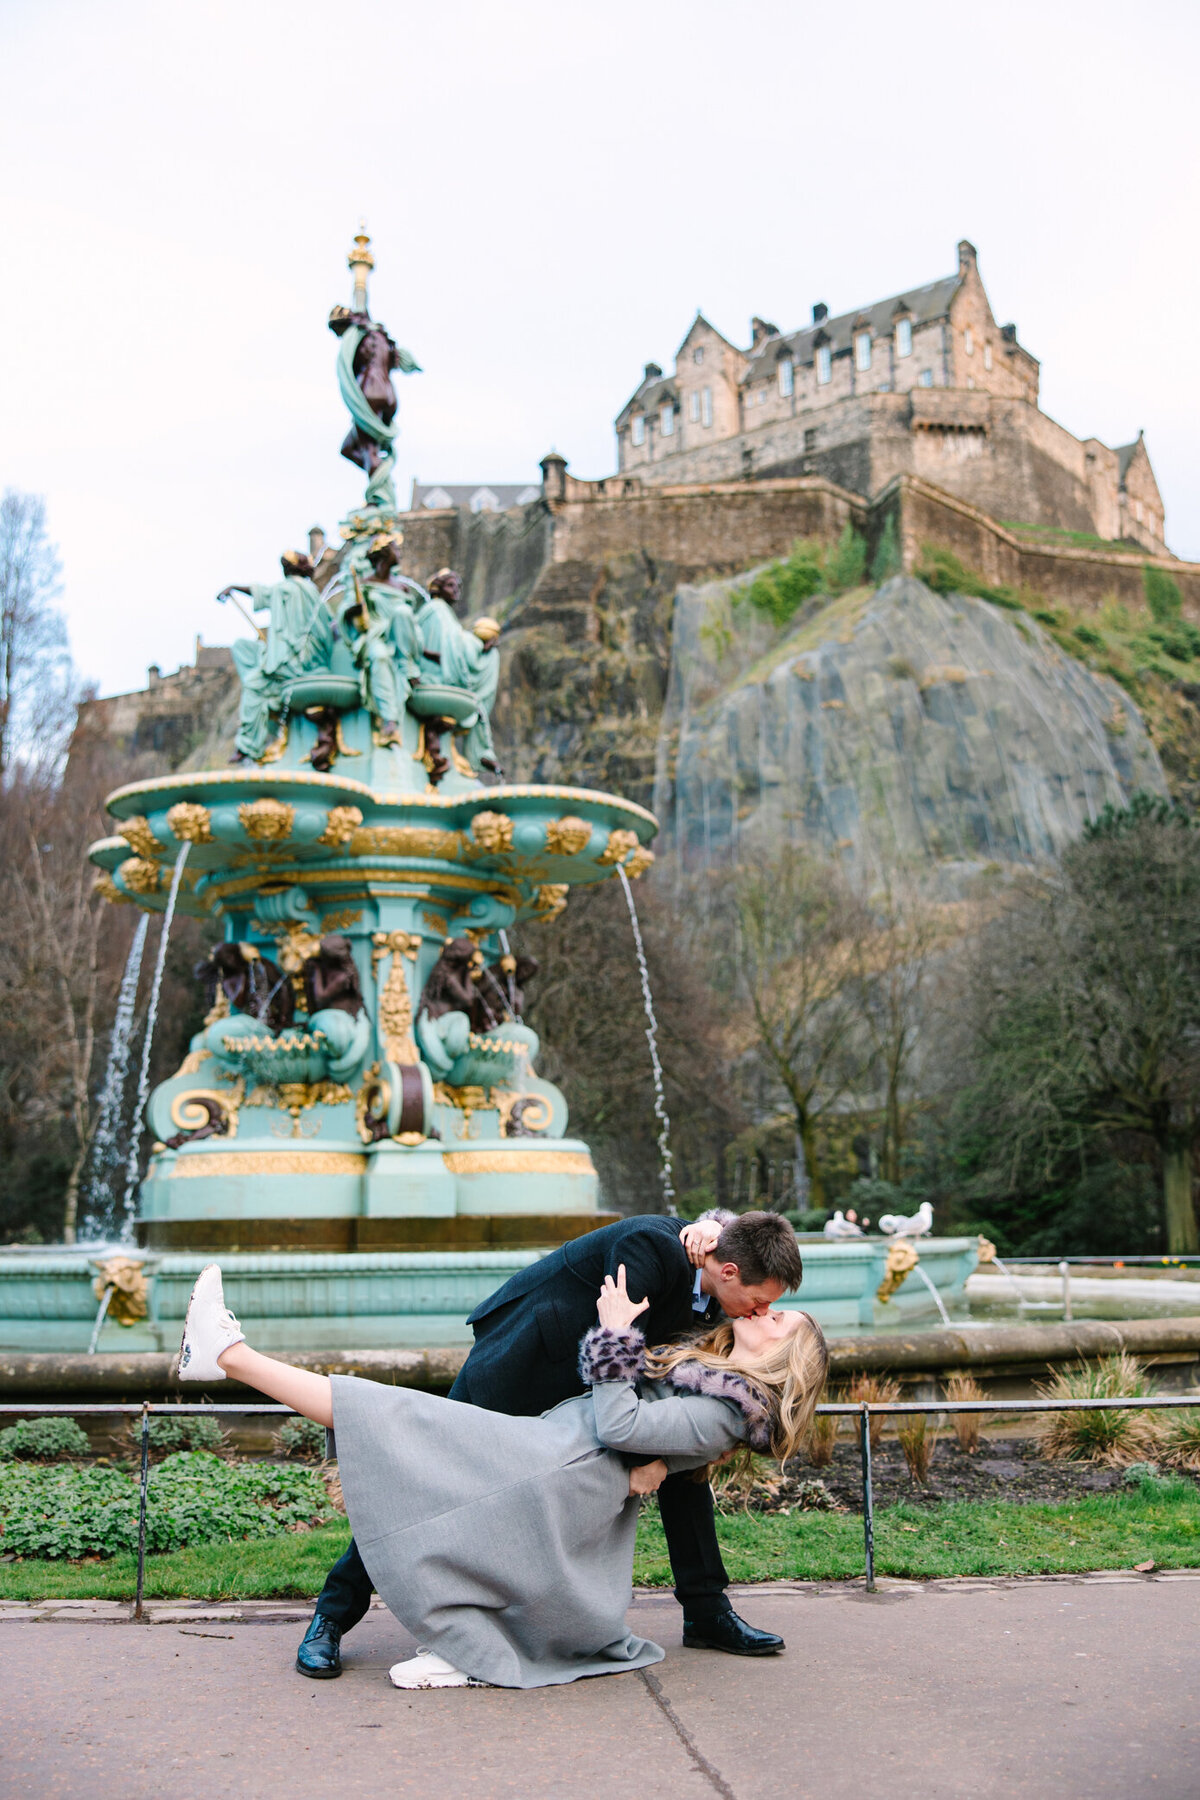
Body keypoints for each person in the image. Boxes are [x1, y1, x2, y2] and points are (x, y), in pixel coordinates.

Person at [175, 1258, 826, 1690]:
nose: (762, 1314)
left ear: (784, 1362)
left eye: (777, 1321)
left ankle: (228, 1353)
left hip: (556, 1466)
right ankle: (461, 1647)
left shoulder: (725, 1413)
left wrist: (615, 1332)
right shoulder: (715, 1384)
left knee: (388, 1415)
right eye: (768, 1304)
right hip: (551, 1456)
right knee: (410, 1446)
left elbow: (620, 1423)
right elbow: (650, 1436)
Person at [297, 1210, 804, 1676]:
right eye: (761, 1302)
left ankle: (707, 1612)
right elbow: (620, 1343)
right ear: (731, 1272)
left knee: (687, 1476)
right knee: (424, 1472)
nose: (761, 1313)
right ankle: (332, 1617)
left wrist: (677, 1452)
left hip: (595, 1390)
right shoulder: (648, 1247)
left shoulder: (719, 1273)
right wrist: (646, 1458)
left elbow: (735, 1239)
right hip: (522, 1361)